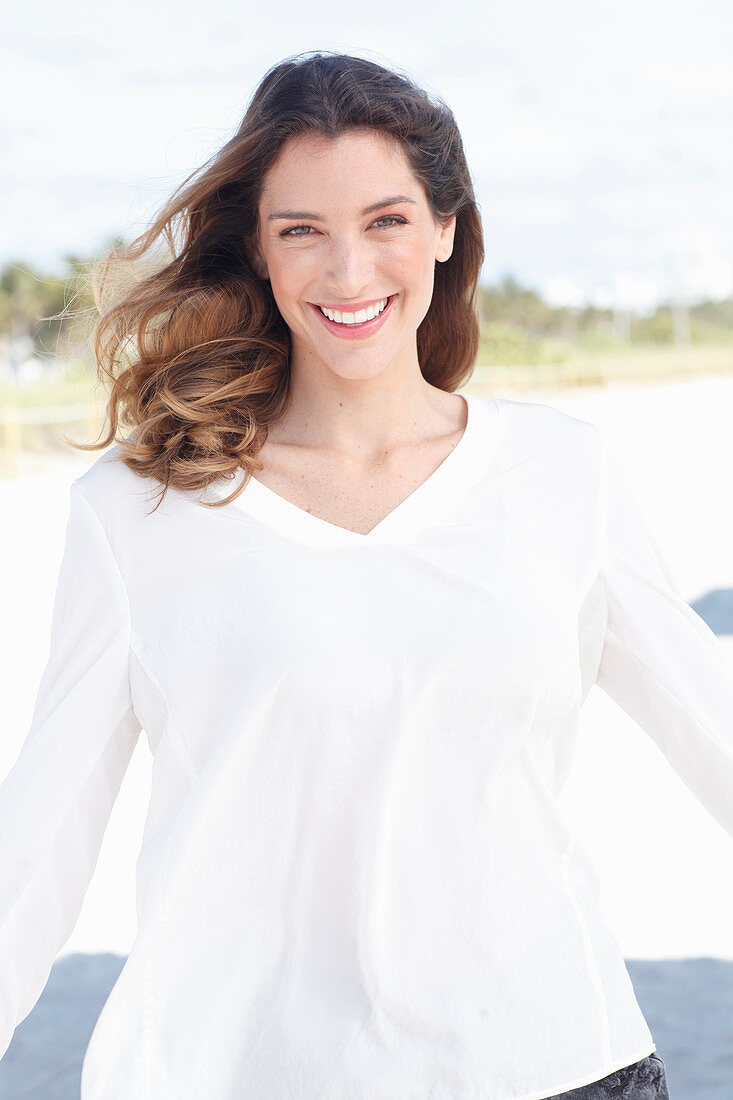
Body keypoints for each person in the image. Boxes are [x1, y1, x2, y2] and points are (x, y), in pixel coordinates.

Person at [2, 48, 731, 1100]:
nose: (348, 274)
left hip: (555, 1065)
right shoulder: (140, 510)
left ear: (445, 227)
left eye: (386, 220)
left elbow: (715, 732)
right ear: (256, 250)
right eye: (303, 231)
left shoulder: (563, 473)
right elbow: (37, 845)